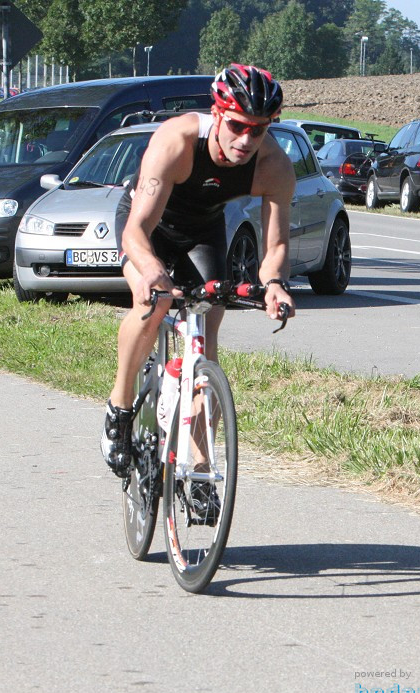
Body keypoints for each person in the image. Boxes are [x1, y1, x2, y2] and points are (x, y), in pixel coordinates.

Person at [100, 64, 296, 477]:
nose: (247, 140)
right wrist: (151, 270)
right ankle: (119, 409)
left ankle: (202, 466)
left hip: (202, 229)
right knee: (154, 303)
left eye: (259, 130)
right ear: (218, 114)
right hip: (146, 224)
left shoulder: (274, 166)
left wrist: (274, 284)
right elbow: (136, 229)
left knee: (207, 333)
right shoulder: (177, 140)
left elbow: (275, 245)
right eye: (239, 126)